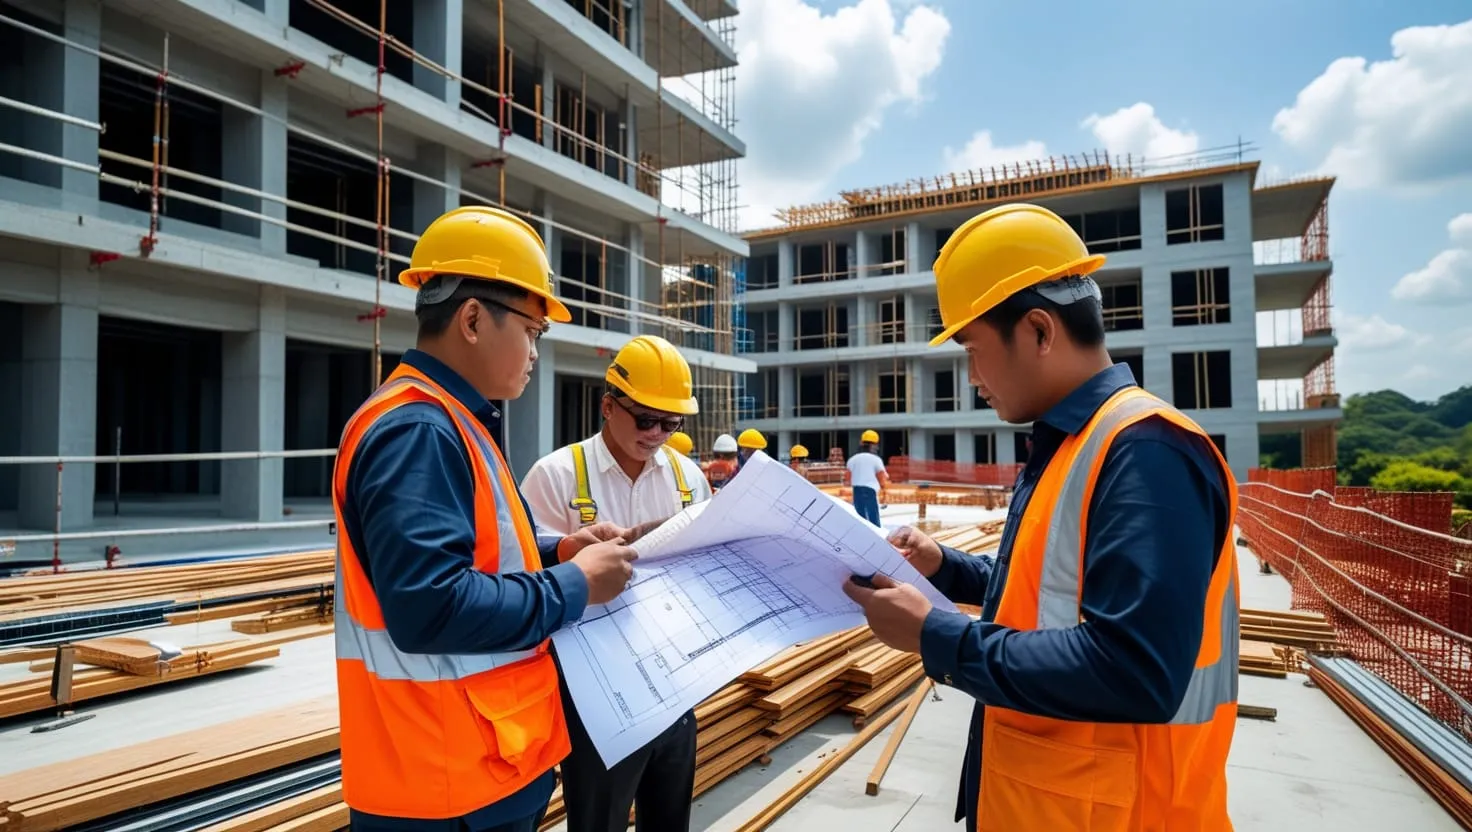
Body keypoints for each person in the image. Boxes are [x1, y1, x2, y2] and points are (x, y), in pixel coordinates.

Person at [841, 203, 1239, 831]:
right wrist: (947, 568)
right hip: (1056, 805)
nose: (972, 377)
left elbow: (1135, 670)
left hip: (1128, 814)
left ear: (1038, 331)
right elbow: (1054, 591)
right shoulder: (1074, 443)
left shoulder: (1146, 452)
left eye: (973, 349)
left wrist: (936, 638)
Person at [333, 206, 639, 832]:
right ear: (472, 320)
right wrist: (578, 585)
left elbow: (474, 553)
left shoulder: (451, 419)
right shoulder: (419, 430)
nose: (534, 350)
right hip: (445, 782)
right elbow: (430, 605)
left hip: (472, 762)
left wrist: (558, 551)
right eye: (532, 329)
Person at [519, 334, 712, 832]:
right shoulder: (555, 477)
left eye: (671, 423)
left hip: (674, 682)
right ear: (608, 406)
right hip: (592, 695)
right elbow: (523, 581)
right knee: (598, 820)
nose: (657, 434)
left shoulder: (689, 479)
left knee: (669, 819)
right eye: (646, 419)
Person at [846, 430, 891, 527]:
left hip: (856, 490)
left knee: (860, 518)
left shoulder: (852, 459)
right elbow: (881, 478)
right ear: (875, 445)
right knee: (873, 518)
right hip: (870, 491)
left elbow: (847, 479)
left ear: (861, 443)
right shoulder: (876, 460)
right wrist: (884, 491)